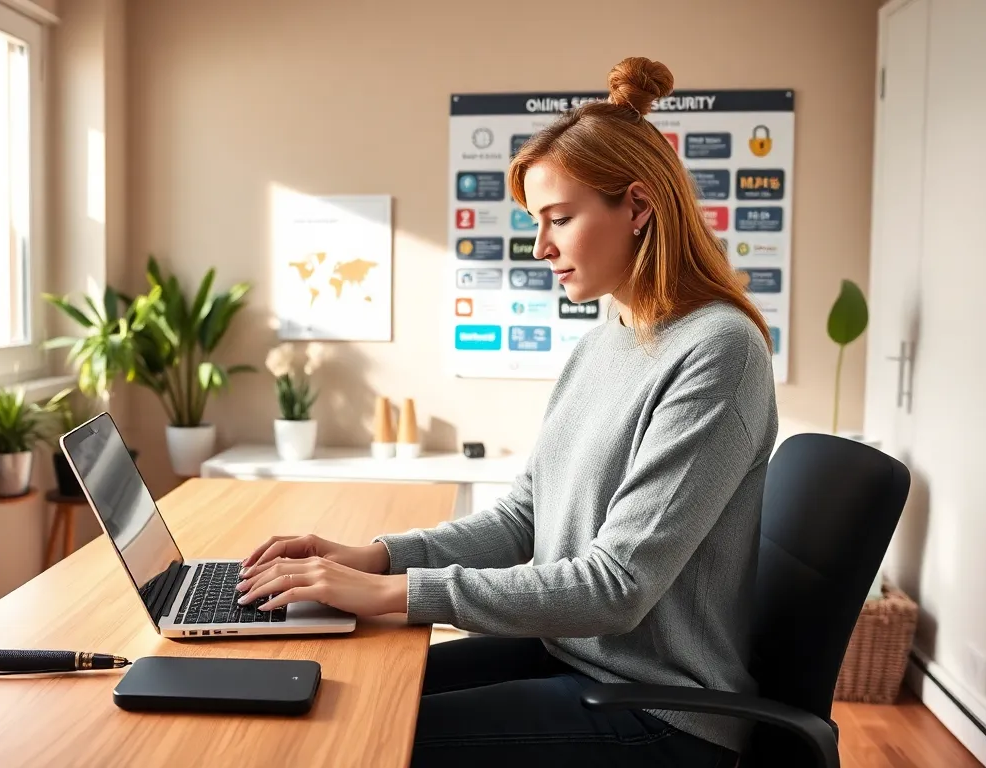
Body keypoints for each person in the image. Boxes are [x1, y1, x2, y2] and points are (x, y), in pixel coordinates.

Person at [235, 56, 777, 768]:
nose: (540, 247)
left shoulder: (718, 350)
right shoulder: (604, 341)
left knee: (362, 738)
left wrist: (390, 592)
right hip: (572, 659)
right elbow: (523, 517)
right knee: (343, 687)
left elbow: (616, 588)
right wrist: (371, 558)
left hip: (658, 707)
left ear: (638, 208)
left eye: (559, 219)